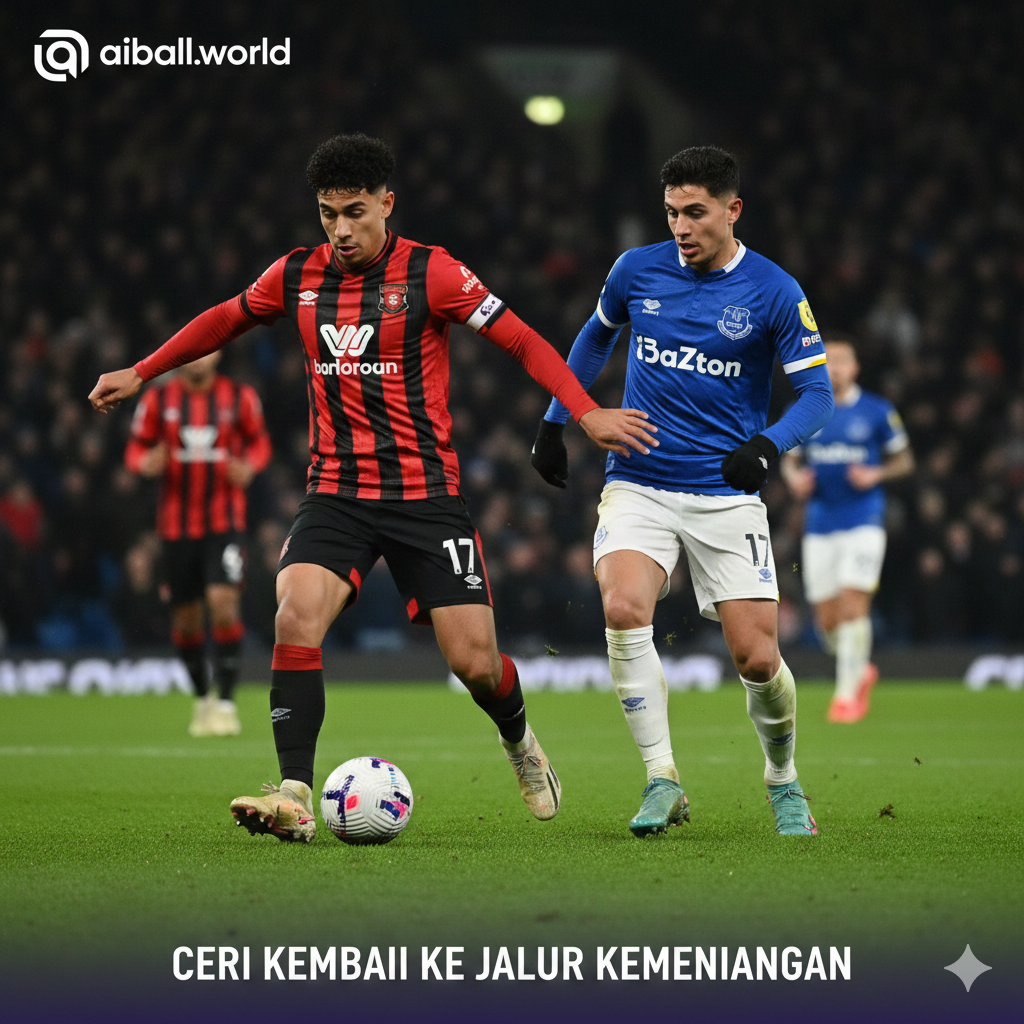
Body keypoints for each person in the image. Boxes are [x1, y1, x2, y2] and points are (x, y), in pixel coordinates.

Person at [90, 132, 654, 843]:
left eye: (355, 212)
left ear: (388, 203)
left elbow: (521, 339)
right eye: (328, 214)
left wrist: (586, 411)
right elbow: (226, 318)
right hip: (337, 492)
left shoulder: (433, 272)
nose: (341, 229)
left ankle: (520, 741)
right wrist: (144, 371)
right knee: (294, 614)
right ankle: (293, 790)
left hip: (427, 496)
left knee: (475, 664)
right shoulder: (297, 274)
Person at [532, 146, 834, 838]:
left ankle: (783, 780)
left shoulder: (774, 290)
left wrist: (767, 445)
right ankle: (662, 777)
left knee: (757, 657)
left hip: (725, 492)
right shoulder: (636, 270)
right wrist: (556, 423)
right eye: (671, 213)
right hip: (639, 479)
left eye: (695, 212)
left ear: (733, 210)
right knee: (622, 604)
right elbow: (594, 337)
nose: (681, 227)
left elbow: (816, 394)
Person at [124, 351, 272, 736]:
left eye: (207, 352)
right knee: (186, 620)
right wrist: (145, 463)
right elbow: (136, 447)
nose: (198, 359)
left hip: (224, 523)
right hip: (175, 528)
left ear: (219, 354)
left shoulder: (240, 398)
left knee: (224, 604)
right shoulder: (158, 400)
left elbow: (260, 444)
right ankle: (203, 698)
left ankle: (226, 702)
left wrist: (250, 466)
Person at [780, 339, 913, 723]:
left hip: (864, 520)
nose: (834, 367)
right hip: (820, 522)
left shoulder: (876, 410)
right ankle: (859, 669)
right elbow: (791, 462)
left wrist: (876, 472)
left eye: (841, 360)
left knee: (855, 603)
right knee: (825, 620)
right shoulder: (805, 409)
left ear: (855, 367)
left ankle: (846, 696)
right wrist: (794, 480)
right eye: (828, 361)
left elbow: (904, 460)